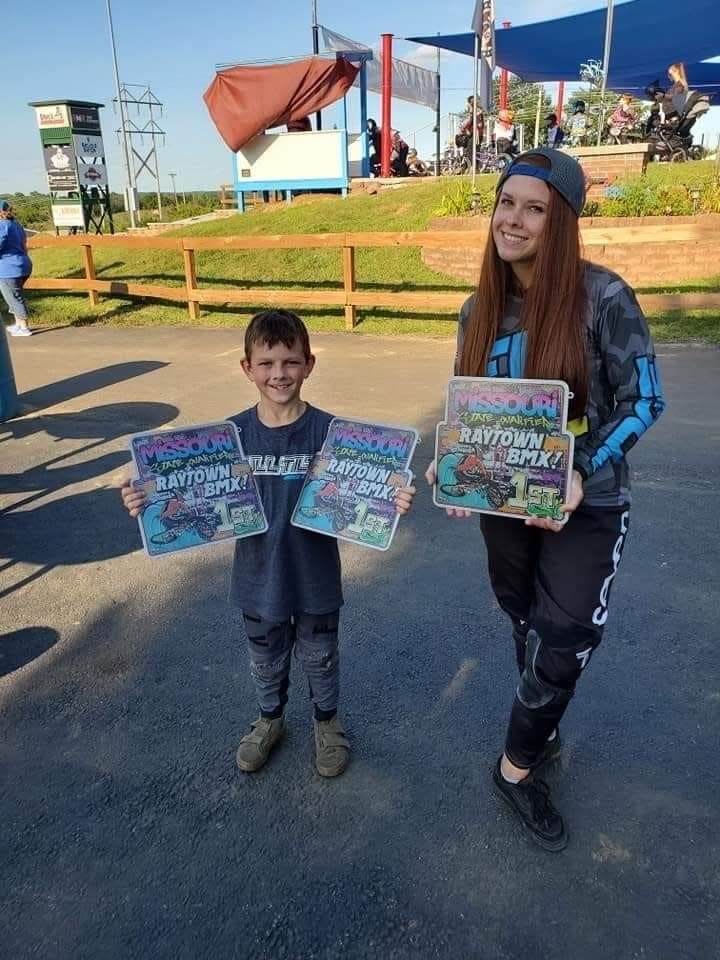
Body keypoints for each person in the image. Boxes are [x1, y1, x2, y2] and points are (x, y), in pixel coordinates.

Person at [425, 147, 665, 851]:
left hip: (586, 504)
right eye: (507, 203)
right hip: (506, 504)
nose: (515, 220)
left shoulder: (605, 297)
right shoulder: (479, 309)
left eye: (535, 208)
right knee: (525, 621)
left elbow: (645, 398)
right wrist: (456, 470)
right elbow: (469, 409)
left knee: (565, 638)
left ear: (560, 222)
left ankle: (515, 768)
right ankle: (543, 725)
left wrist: (582, 467)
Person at [121, 309, 416, 778]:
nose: (279, 374)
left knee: (320, 656)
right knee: (265, 659)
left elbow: (374, 490)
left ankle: (327, 722)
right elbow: (181, 489)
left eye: (291, 362)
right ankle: (269, 719)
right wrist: (144, 496)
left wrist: (394, 497)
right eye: (267, 363)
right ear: (247, 367)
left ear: (309, 365)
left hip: (315, 574)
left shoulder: (333, 435)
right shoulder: (228, 437)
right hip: (257, 576)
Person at [0, 200, 33, 337]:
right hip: (23, 264)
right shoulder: (16, 225)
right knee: (15, 295)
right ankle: (18, 324)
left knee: (14, 297)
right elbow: (23, 244)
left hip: (8, 268)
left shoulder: (2, 226)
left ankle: (24, 327)